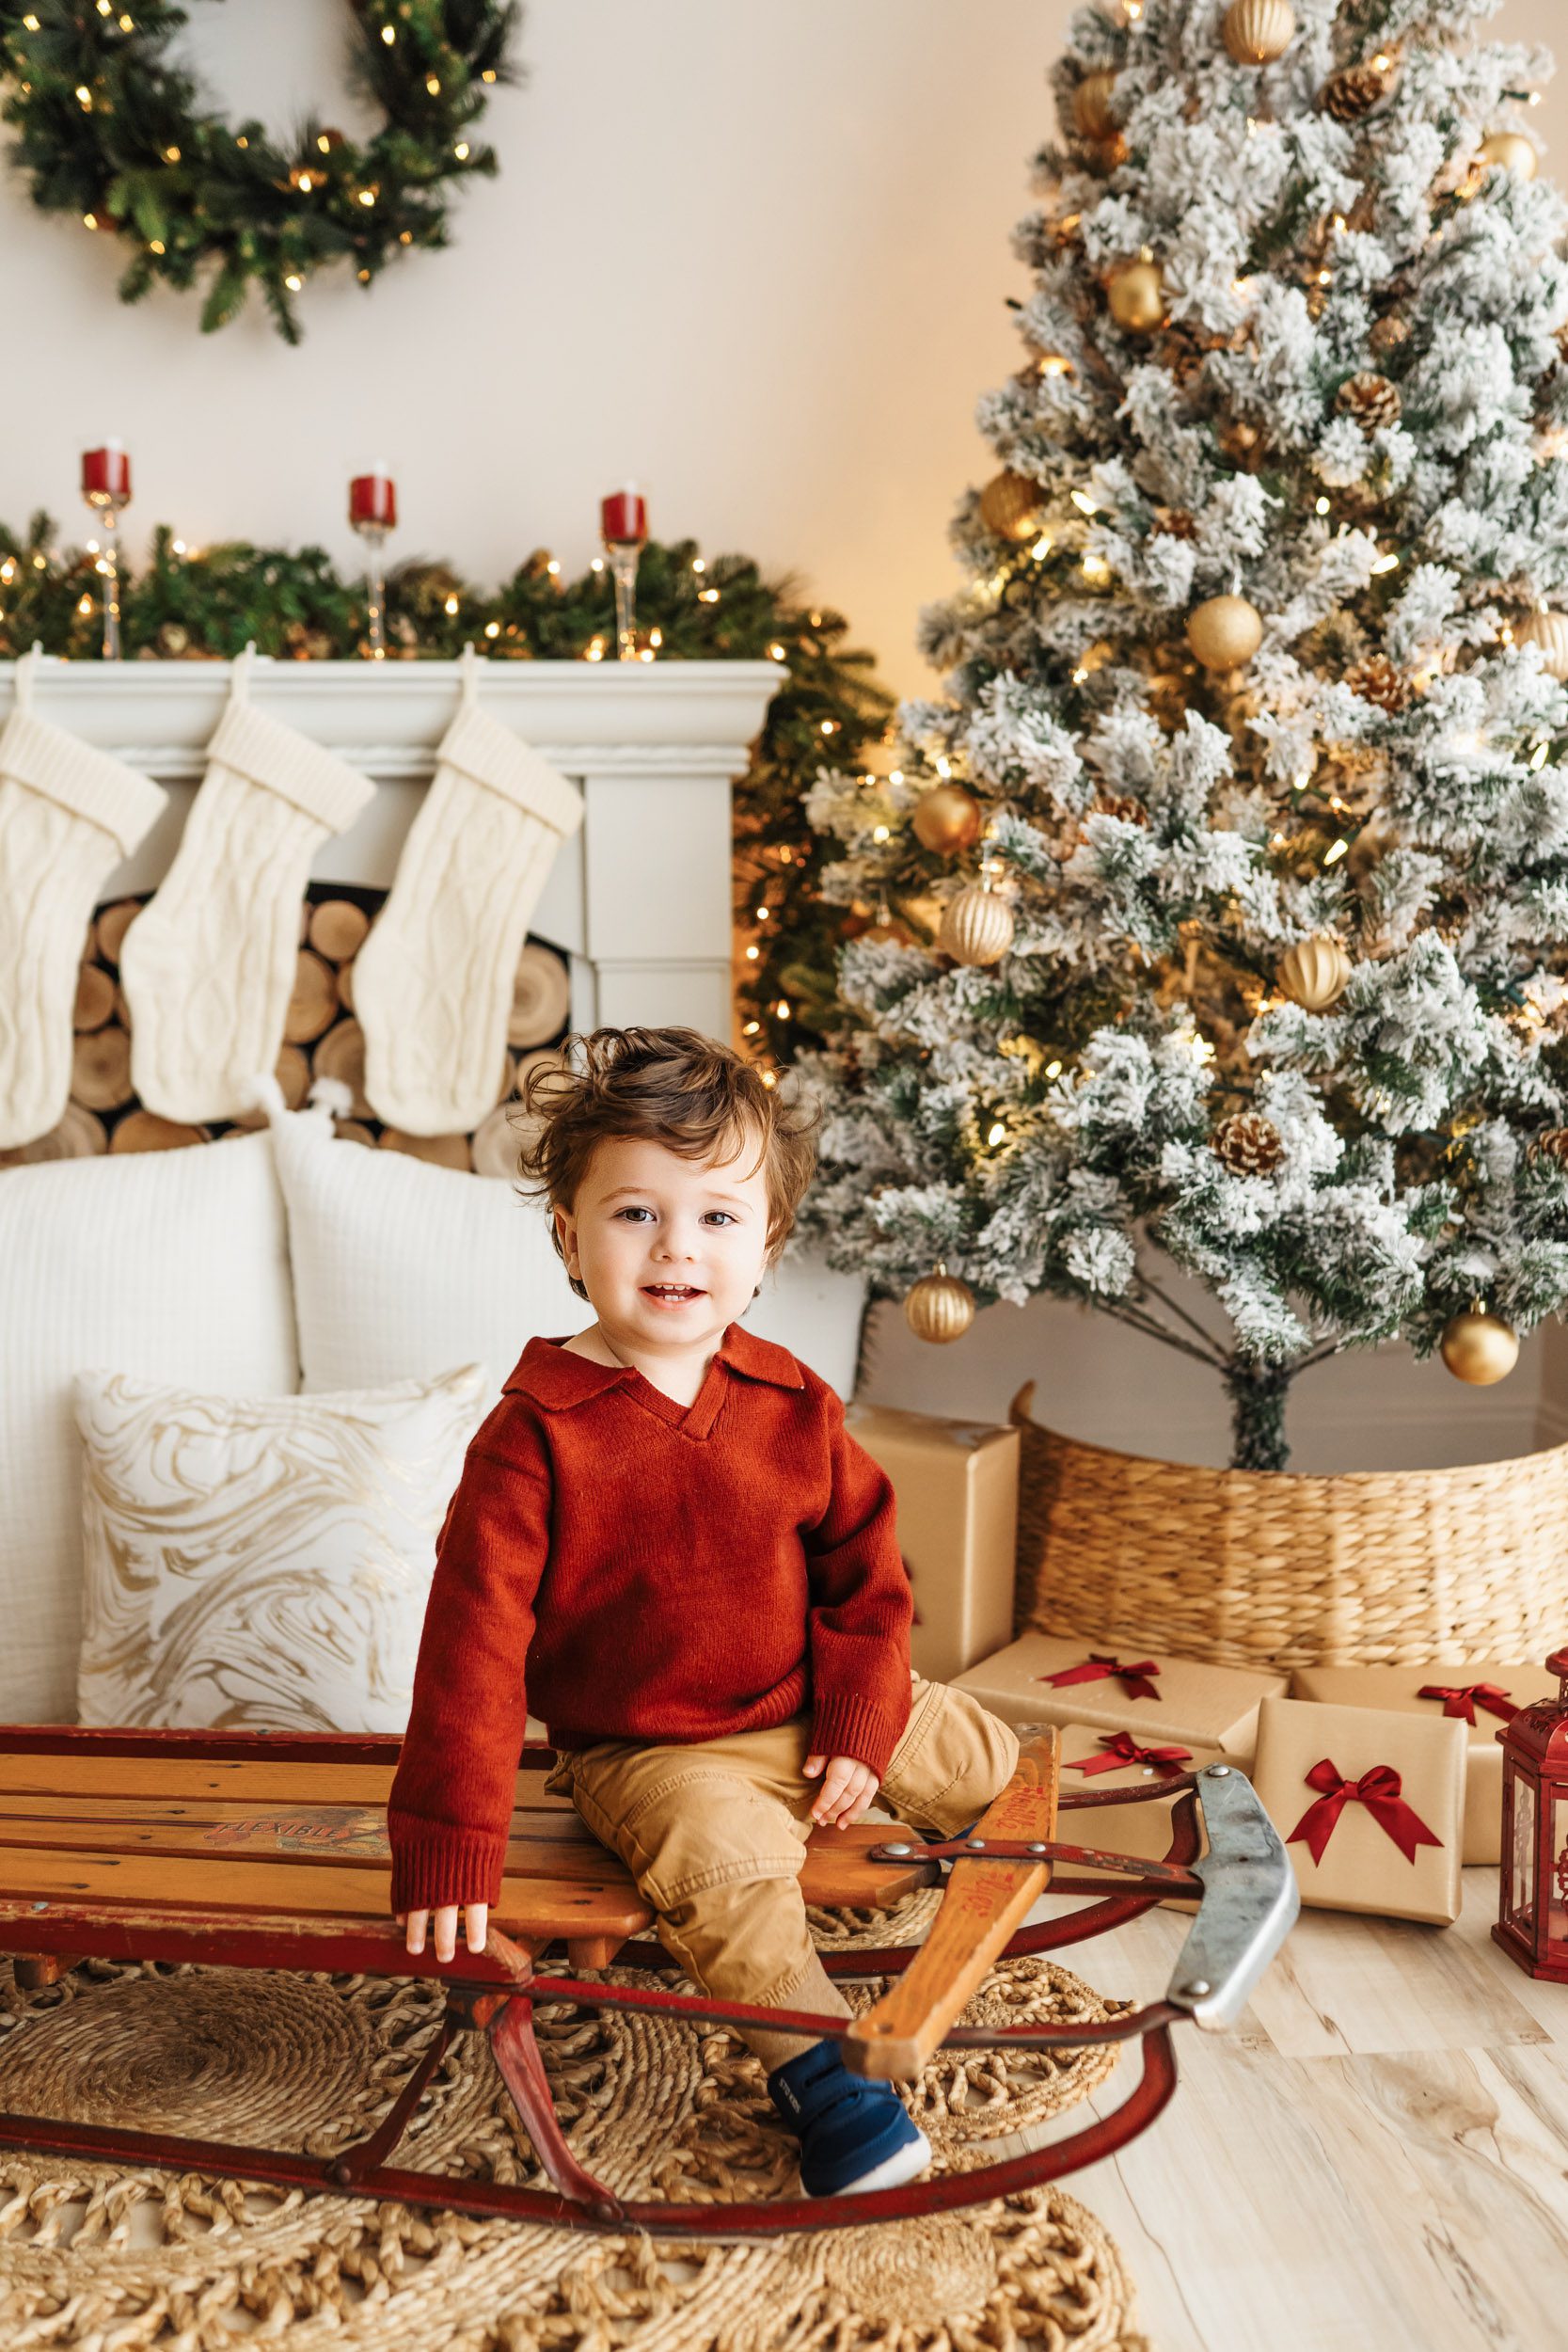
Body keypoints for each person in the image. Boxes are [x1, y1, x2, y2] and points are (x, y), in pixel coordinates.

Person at [387, 1025, 1022, 2197]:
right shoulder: (538, 1434)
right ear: (571, 1237)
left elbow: (863, 1580)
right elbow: (471, 1650)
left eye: (717, 1218)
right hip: (654, 1749)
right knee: (720, 1872)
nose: (677, 1247)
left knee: (977, 1743)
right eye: (636, 1215)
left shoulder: (789, 1399)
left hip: (799, 1699)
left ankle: (1018, 1848)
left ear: (765, 1242)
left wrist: (857, 1719)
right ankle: (827, 2075)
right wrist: (450, 1843)